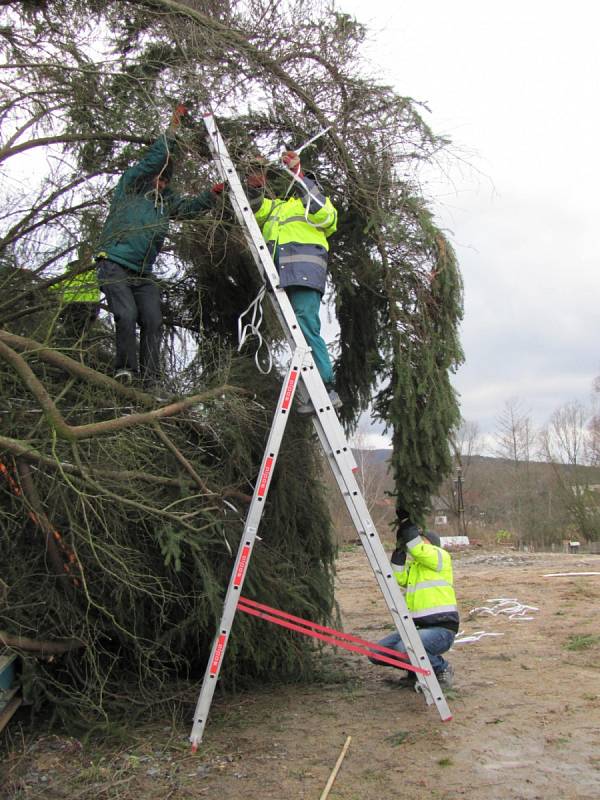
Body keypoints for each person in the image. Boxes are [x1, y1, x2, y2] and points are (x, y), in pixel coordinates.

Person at [94, 104, 224, 388]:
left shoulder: (165, 202)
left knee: (153, 321)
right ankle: (125, 371)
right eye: (159, 177)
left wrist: (212, 194)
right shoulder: (130, 187)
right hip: (114, 262)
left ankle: (152, 380)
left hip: (142, 274)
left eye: (166, 180)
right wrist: (173, 128)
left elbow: (189, 208)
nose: (162, 183)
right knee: (126, 314)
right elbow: (155, 160)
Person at [247, 150, 341, 413]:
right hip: (280, 278)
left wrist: (299, 172)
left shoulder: (316, 204)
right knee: (298, 333)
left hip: (304, 274)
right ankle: (312, 389)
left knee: (306, 326)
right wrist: (254, 184)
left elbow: (323, 213)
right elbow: (254, 208)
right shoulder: (277, 208)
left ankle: (326, 387)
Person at [369, 509, 459, 687]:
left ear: (430, 544)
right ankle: (416, 672)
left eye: (421, 539)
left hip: (441, 629)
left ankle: (441, 668)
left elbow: (417, 548)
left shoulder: (440, 557)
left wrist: (405, 521)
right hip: (417, 627)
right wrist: (400, 548)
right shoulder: (416, 568)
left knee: (405, 648)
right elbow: (397, 577)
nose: (416, 542)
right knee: (376, 653)